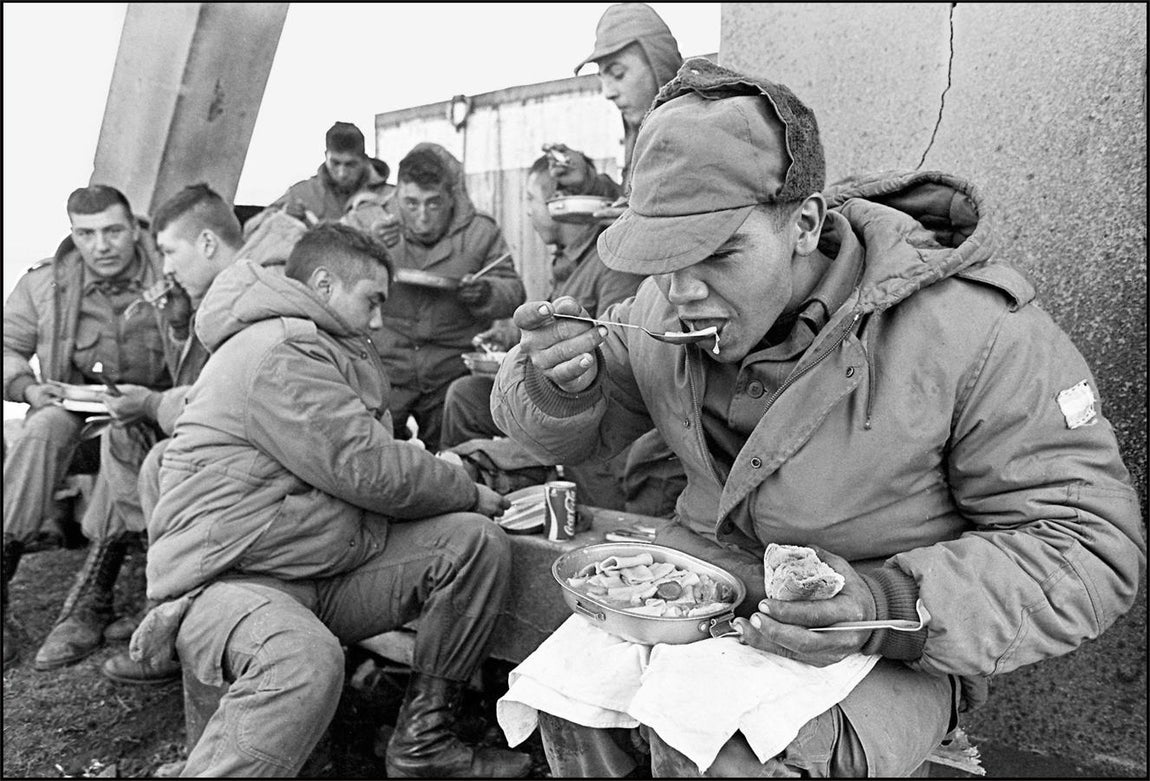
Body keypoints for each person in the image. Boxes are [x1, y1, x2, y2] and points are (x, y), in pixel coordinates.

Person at [490, 58, 1146, 777]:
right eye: (661, 257)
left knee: (726, 756)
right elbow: (562, 427)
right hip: (705, 601)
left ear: (803, 224)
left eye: (717, 253)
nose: (683, 290)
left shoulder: (975, 332)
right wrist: (555, 385)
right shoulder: (658, 309)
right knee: (569, 712)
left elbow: (1090, 546)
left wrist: (887, 602)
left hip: (888, 644)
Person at [129, 223, 531, 777]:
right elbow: (370, 470)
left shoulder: (318, 345)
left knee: (470, 544)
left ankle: (422, 743)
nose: (377, 320)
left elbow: (361, 457)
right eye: (371, 300)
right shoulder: (283, 348)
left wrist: (451, 486)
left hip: (311, 567)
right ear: (322, 283)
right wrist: (463, 485)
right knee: (302, 660)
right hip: (232, 581)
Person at [3, 185, 175, 671]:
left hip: (156, 416)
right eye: (86, 234)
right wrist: (27, 387)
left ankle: (92, 598)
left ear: (133, 228)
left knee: (121, 435)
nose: (101, 246)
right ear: (72, 234)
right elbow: (7, 346)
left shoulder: (169, 269)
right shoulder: (47, 283)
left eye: (113, 231)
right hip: (80, 412)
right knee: (41, 431)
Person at [94, 182, 248, 684]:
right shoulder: (213, 295)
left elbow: (221, 403)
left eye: (168, 251)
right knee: (123, 440)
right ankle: (156, 587)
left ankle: (174, 623)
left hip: (249, 461)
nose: (164, 267)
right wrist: (177, 328)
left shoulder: (246, 299)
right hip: (225, 444)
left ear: (207, 244)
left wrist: (153, 403)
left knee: (164, 462)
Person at [439, 155, 644, 508]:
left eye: (531, 200)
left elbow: (620, 348)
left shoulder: (610, 262)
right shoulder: (566, 261)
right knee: (465, 395)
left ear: (559, 204)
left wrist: (572, 364)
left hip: (592, 402)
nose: (529, 212)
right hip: (552, 397)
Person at [372, 142, 525, 449]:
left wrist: (485, 294)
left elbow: (514, 291)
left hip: (450, 373)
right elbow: (336, 279)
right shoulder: (372, 223)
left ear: (450, 196)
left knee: (451, 462)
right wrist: (367, 248)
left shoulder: (481, 231)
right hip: (386, 371)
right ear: (397, 196)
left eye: (433, 203)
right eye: (411, 204)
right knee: (375, 456)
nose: (423, 217)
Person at [243, 120, 393, 237]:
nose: (342, 173)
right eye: (335, 163)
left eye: (350, 164)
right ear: (325, 157)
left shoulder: (389, 196)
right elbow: (250, 232)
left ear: (364, 160)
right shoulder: (301, 194)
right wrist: (281, 217)